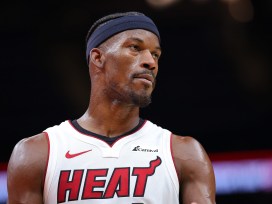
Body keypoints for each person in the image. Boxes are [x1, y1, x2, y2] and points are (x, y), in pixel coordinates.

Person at [7, 11, 216, 204]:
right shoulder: (37, 154)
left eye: (155, 54)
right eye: (135, 48)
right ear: (98, 58)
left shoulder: (183, 153)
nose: (150, 62)